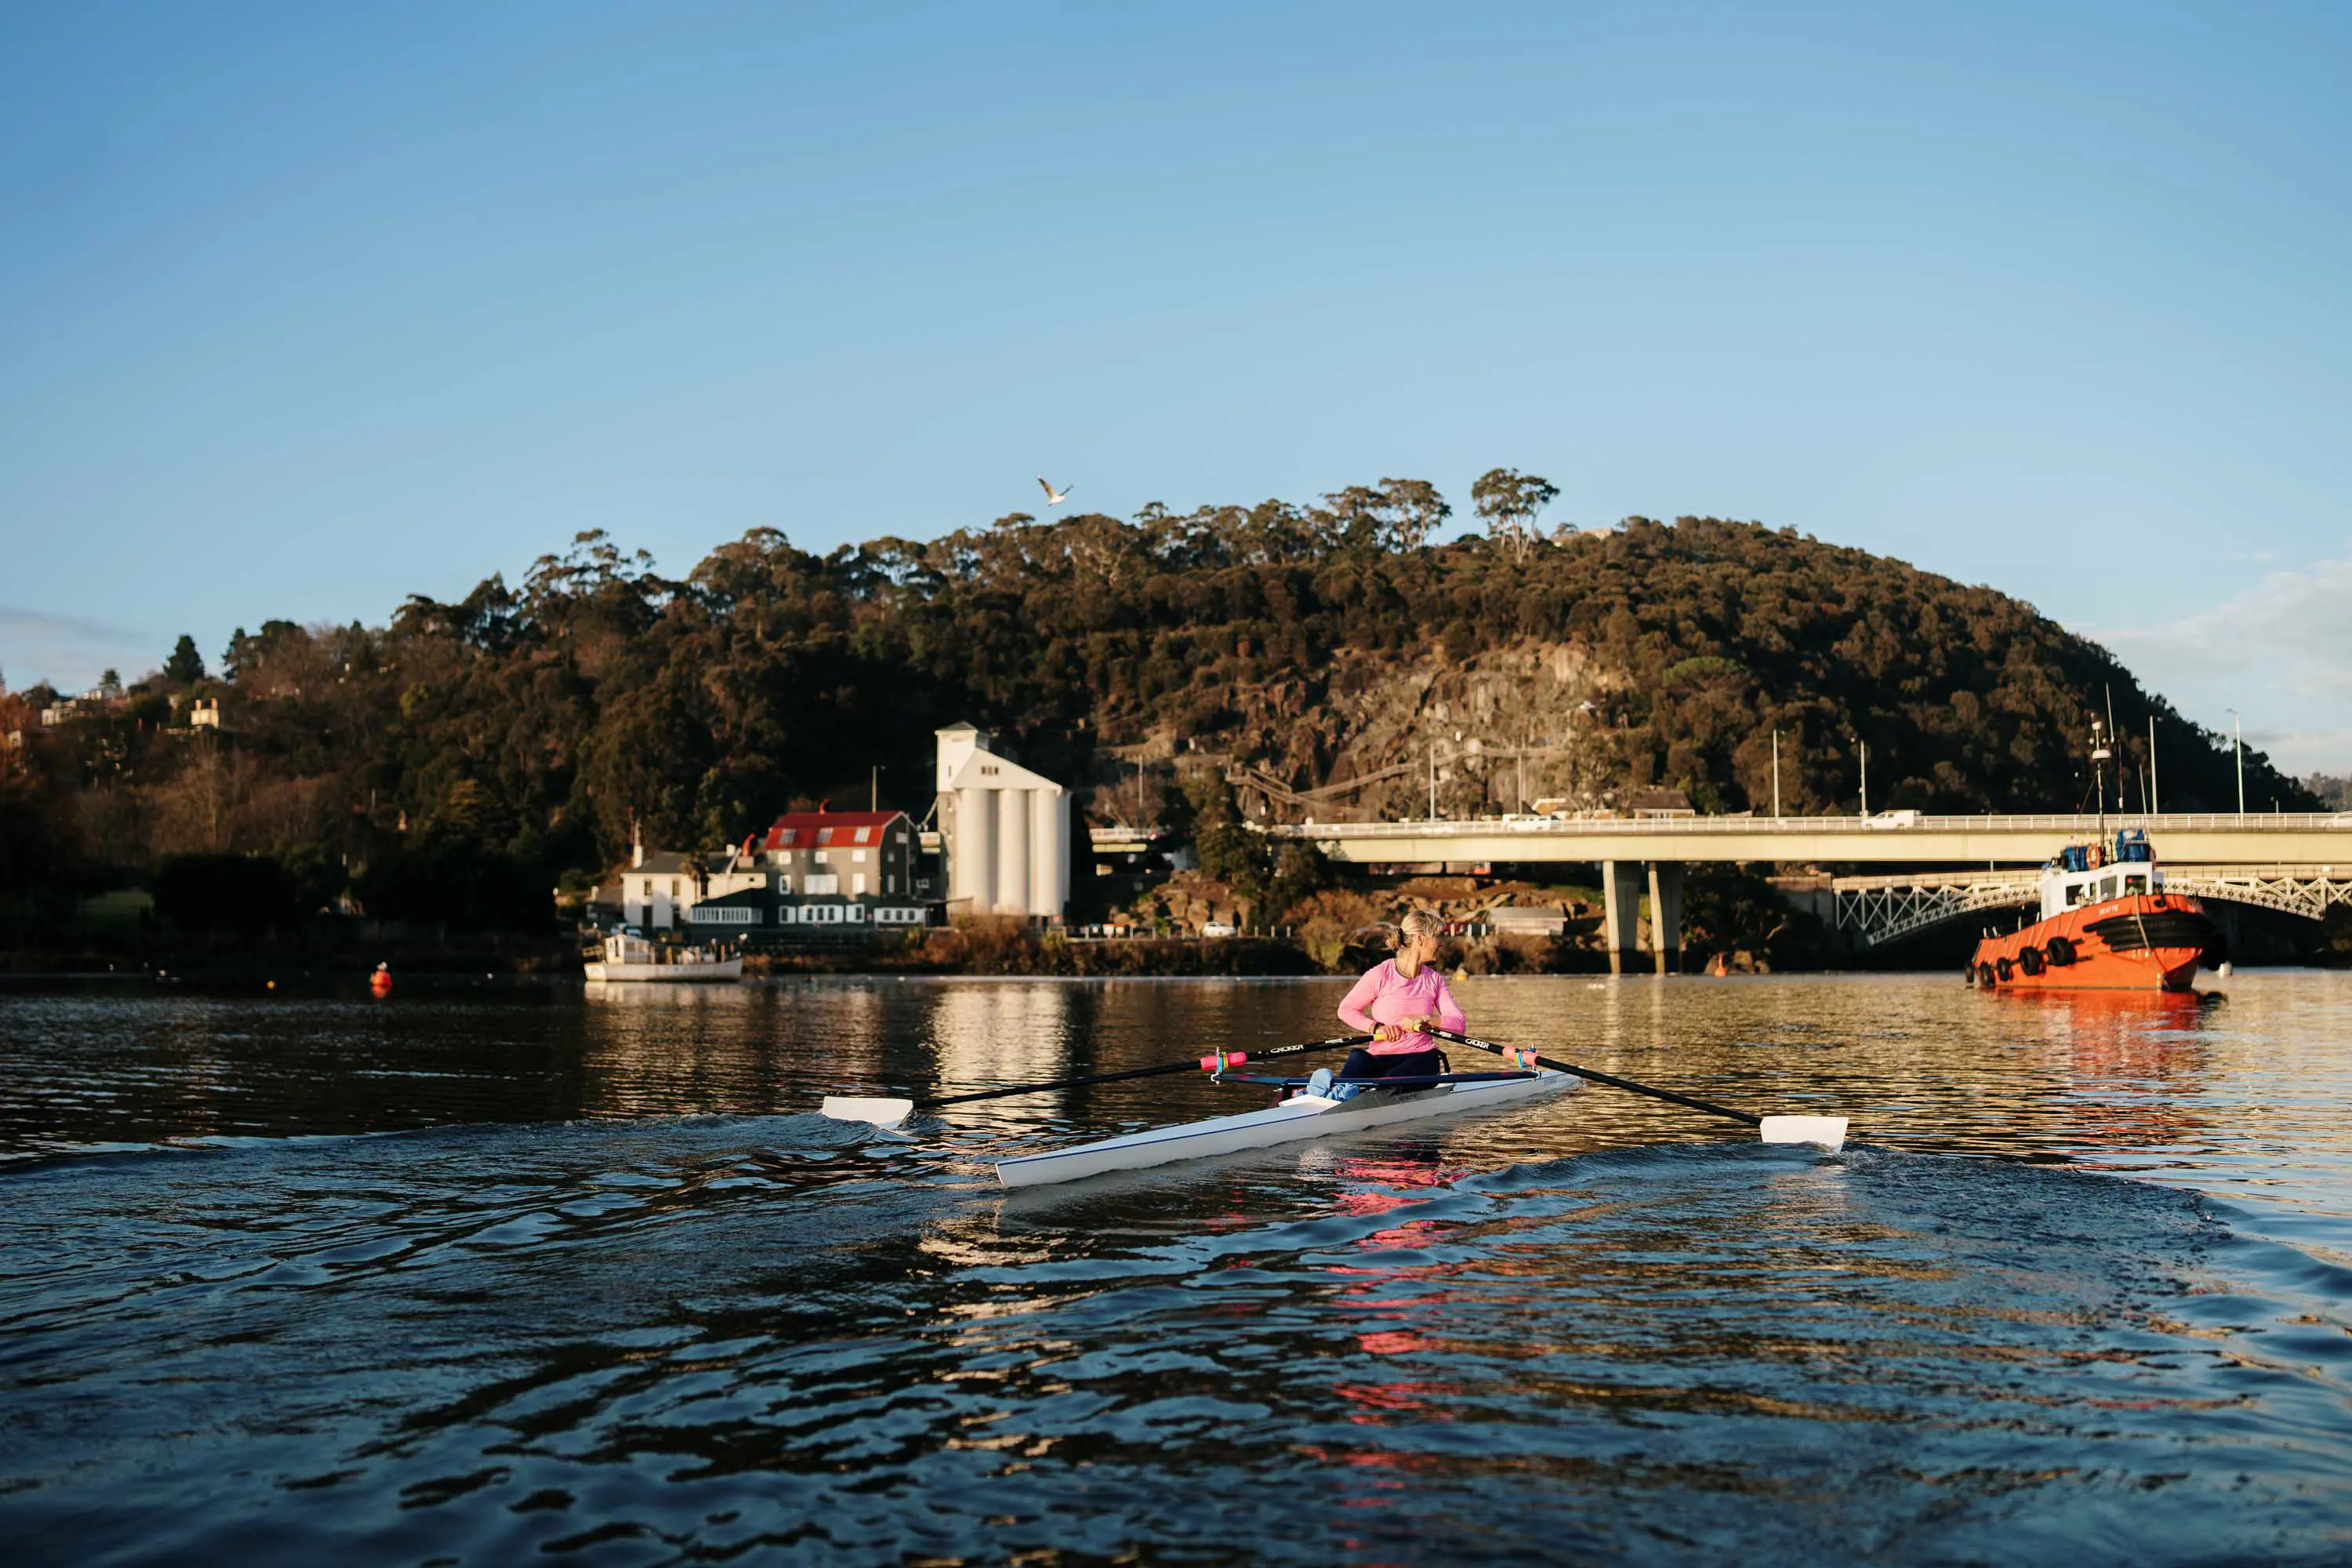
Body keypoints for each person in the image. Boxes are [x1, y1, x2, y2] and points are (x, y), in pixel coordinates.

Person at [1333, 910, 1465, 1090]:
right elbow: (1346, 1010)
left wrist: (1428, 1020)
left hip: (1420, 1059)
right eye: (1436, 937)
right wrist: (1376, 1027)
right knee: (1357, 1058)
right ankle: (1331, 1095)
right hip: (1380, 1058)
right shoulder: (1381, 974)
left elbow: (1459, 1023)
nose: (1441, 943)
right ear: (1420, 939)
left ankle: (1370, 1092)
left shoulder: (1434, 980)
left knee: (1395, 1078)